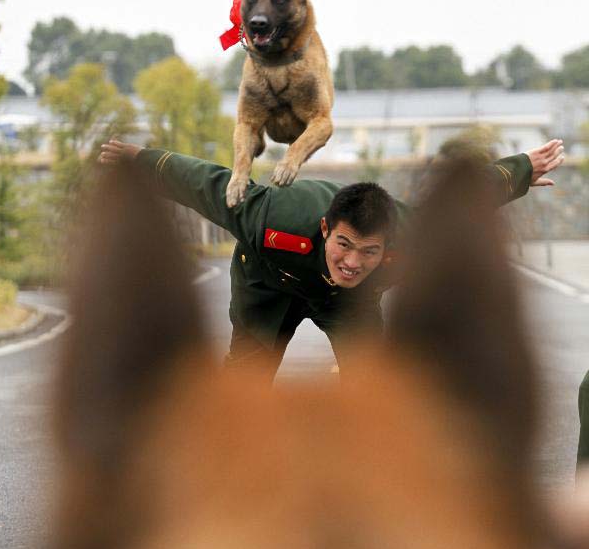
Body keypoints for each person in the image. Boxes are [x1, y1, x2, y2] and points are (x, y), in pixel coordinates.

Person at [99, 137, 564, 380]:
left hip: (350, 306)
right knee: (246, 381)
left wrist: (520, 171)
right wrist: (136, 160)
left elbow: (464, 201)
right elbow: (202, 182)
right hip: (269, 287)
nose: (352, 262)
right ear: (325, 229)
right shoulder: (272, 215)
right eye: (344, 245)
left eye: (369, 252)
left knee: (373, 388)